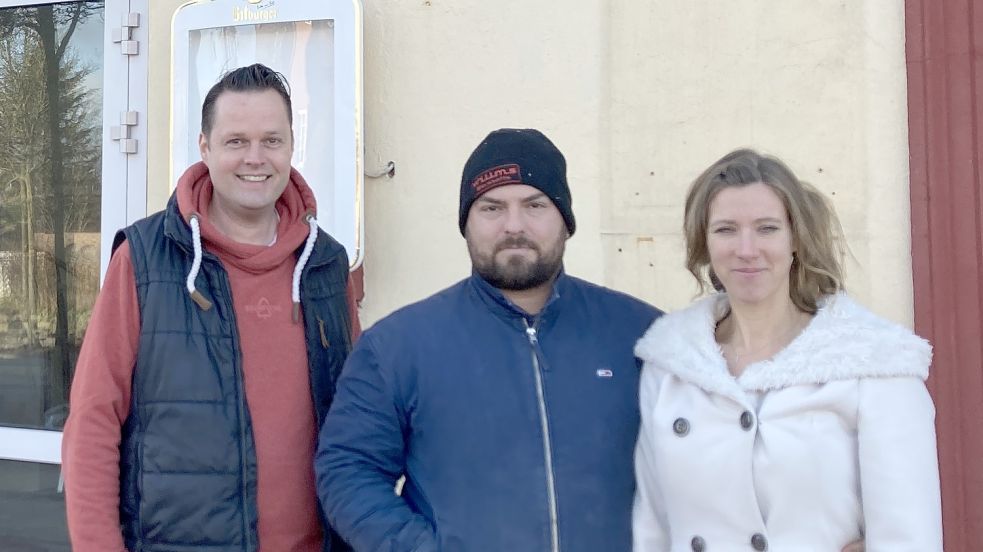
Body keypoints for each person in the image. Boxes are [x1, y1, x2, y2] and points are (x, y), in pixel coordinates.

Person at [315, 128, 661, 551]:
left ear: (565, 220)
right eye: (492, 207)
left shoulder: (641, 335)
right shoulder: (398, 347)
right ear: (466, 223)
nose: (514, 226)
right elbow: (349, 469)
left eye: (535, 205)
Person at [62, 64, 360, 552]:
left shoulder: (325, 265)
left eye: (271, 140)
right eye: (235, 141)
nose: (255, 159)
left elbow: (357, 419)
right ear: (205, 147)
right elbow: (94, 419)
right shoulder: (143, 260)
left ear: (291, 145)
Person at [632, 149, 942, 551]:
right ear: (704, 243)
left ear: (795, 239)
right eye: (726, 229)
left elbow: (909, 536)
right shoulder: (670, 364)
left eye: (767, 228)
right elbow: (652, 528)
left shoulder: (875, 364)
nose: (746, 249)